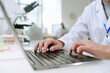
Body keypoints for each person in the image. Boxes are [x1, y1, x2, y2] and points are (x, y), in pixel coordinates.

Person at [34, 0, 110, 60]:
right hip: (98, 64)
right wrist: (60, 42)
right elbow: (76, 33)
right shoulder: (90, 8)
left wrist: (106, 50)